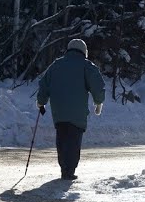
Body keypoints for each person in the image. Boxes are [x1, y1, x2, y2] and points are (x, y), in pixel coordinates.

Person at [37, 39, 105, 180]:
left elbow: (44, 85)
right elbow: (97, 86)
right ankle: (69, 170)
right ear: (84, 51)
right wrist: (98, 103)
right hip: (77, 112)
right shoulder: (86, 66)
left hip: (59, 110)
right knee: (73, 141)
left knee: (62, 139)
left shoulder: (56, 65)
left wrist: (41, 102)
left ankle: (64, 168)